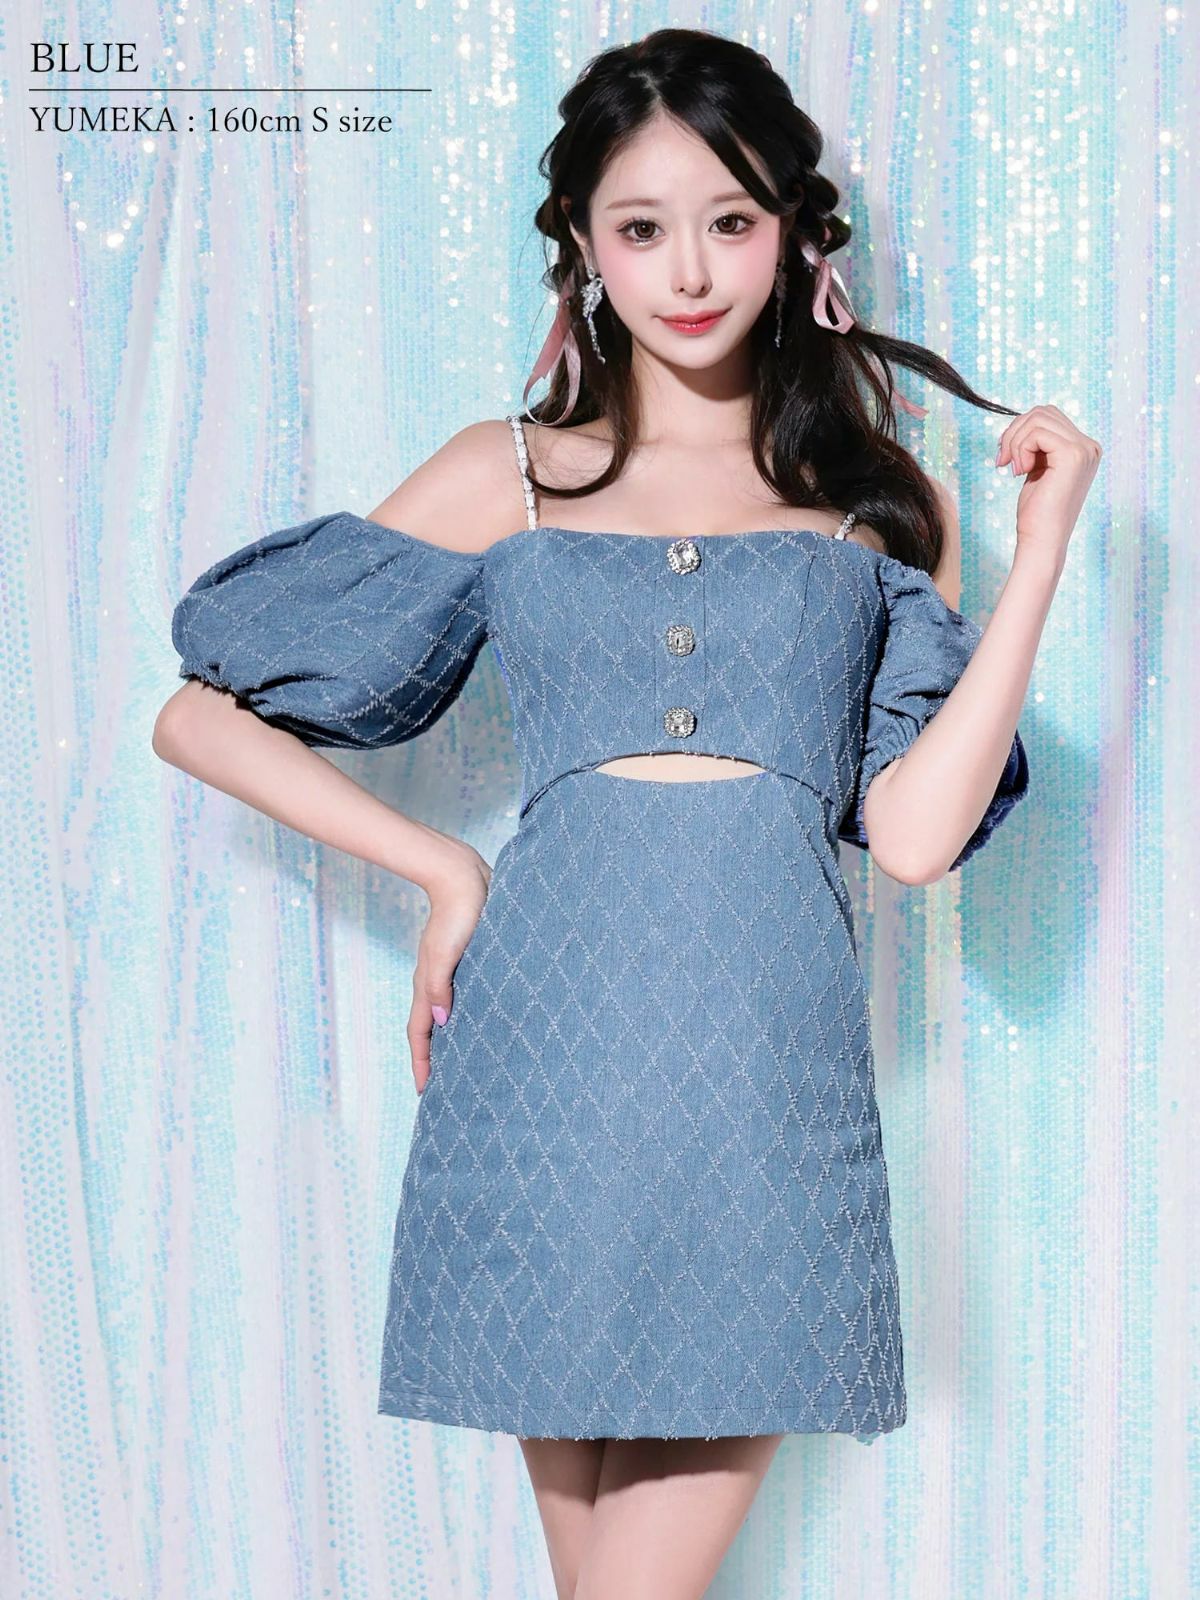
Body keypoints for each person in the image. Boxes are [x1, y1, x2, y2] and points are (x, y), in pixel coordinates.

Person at [154, 28, 1100, 1600]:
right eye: (642, 227)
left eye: (731, 220)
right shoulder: (510, 475)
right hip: (539, 1071)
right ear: (583, 249)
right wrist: (442, 869)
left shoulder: (875, 507)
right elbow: (196, 717)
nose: (691, 270)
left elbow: (916, 838)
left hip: (762, 1086)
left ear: (795, 236)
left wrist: (1044, 549)